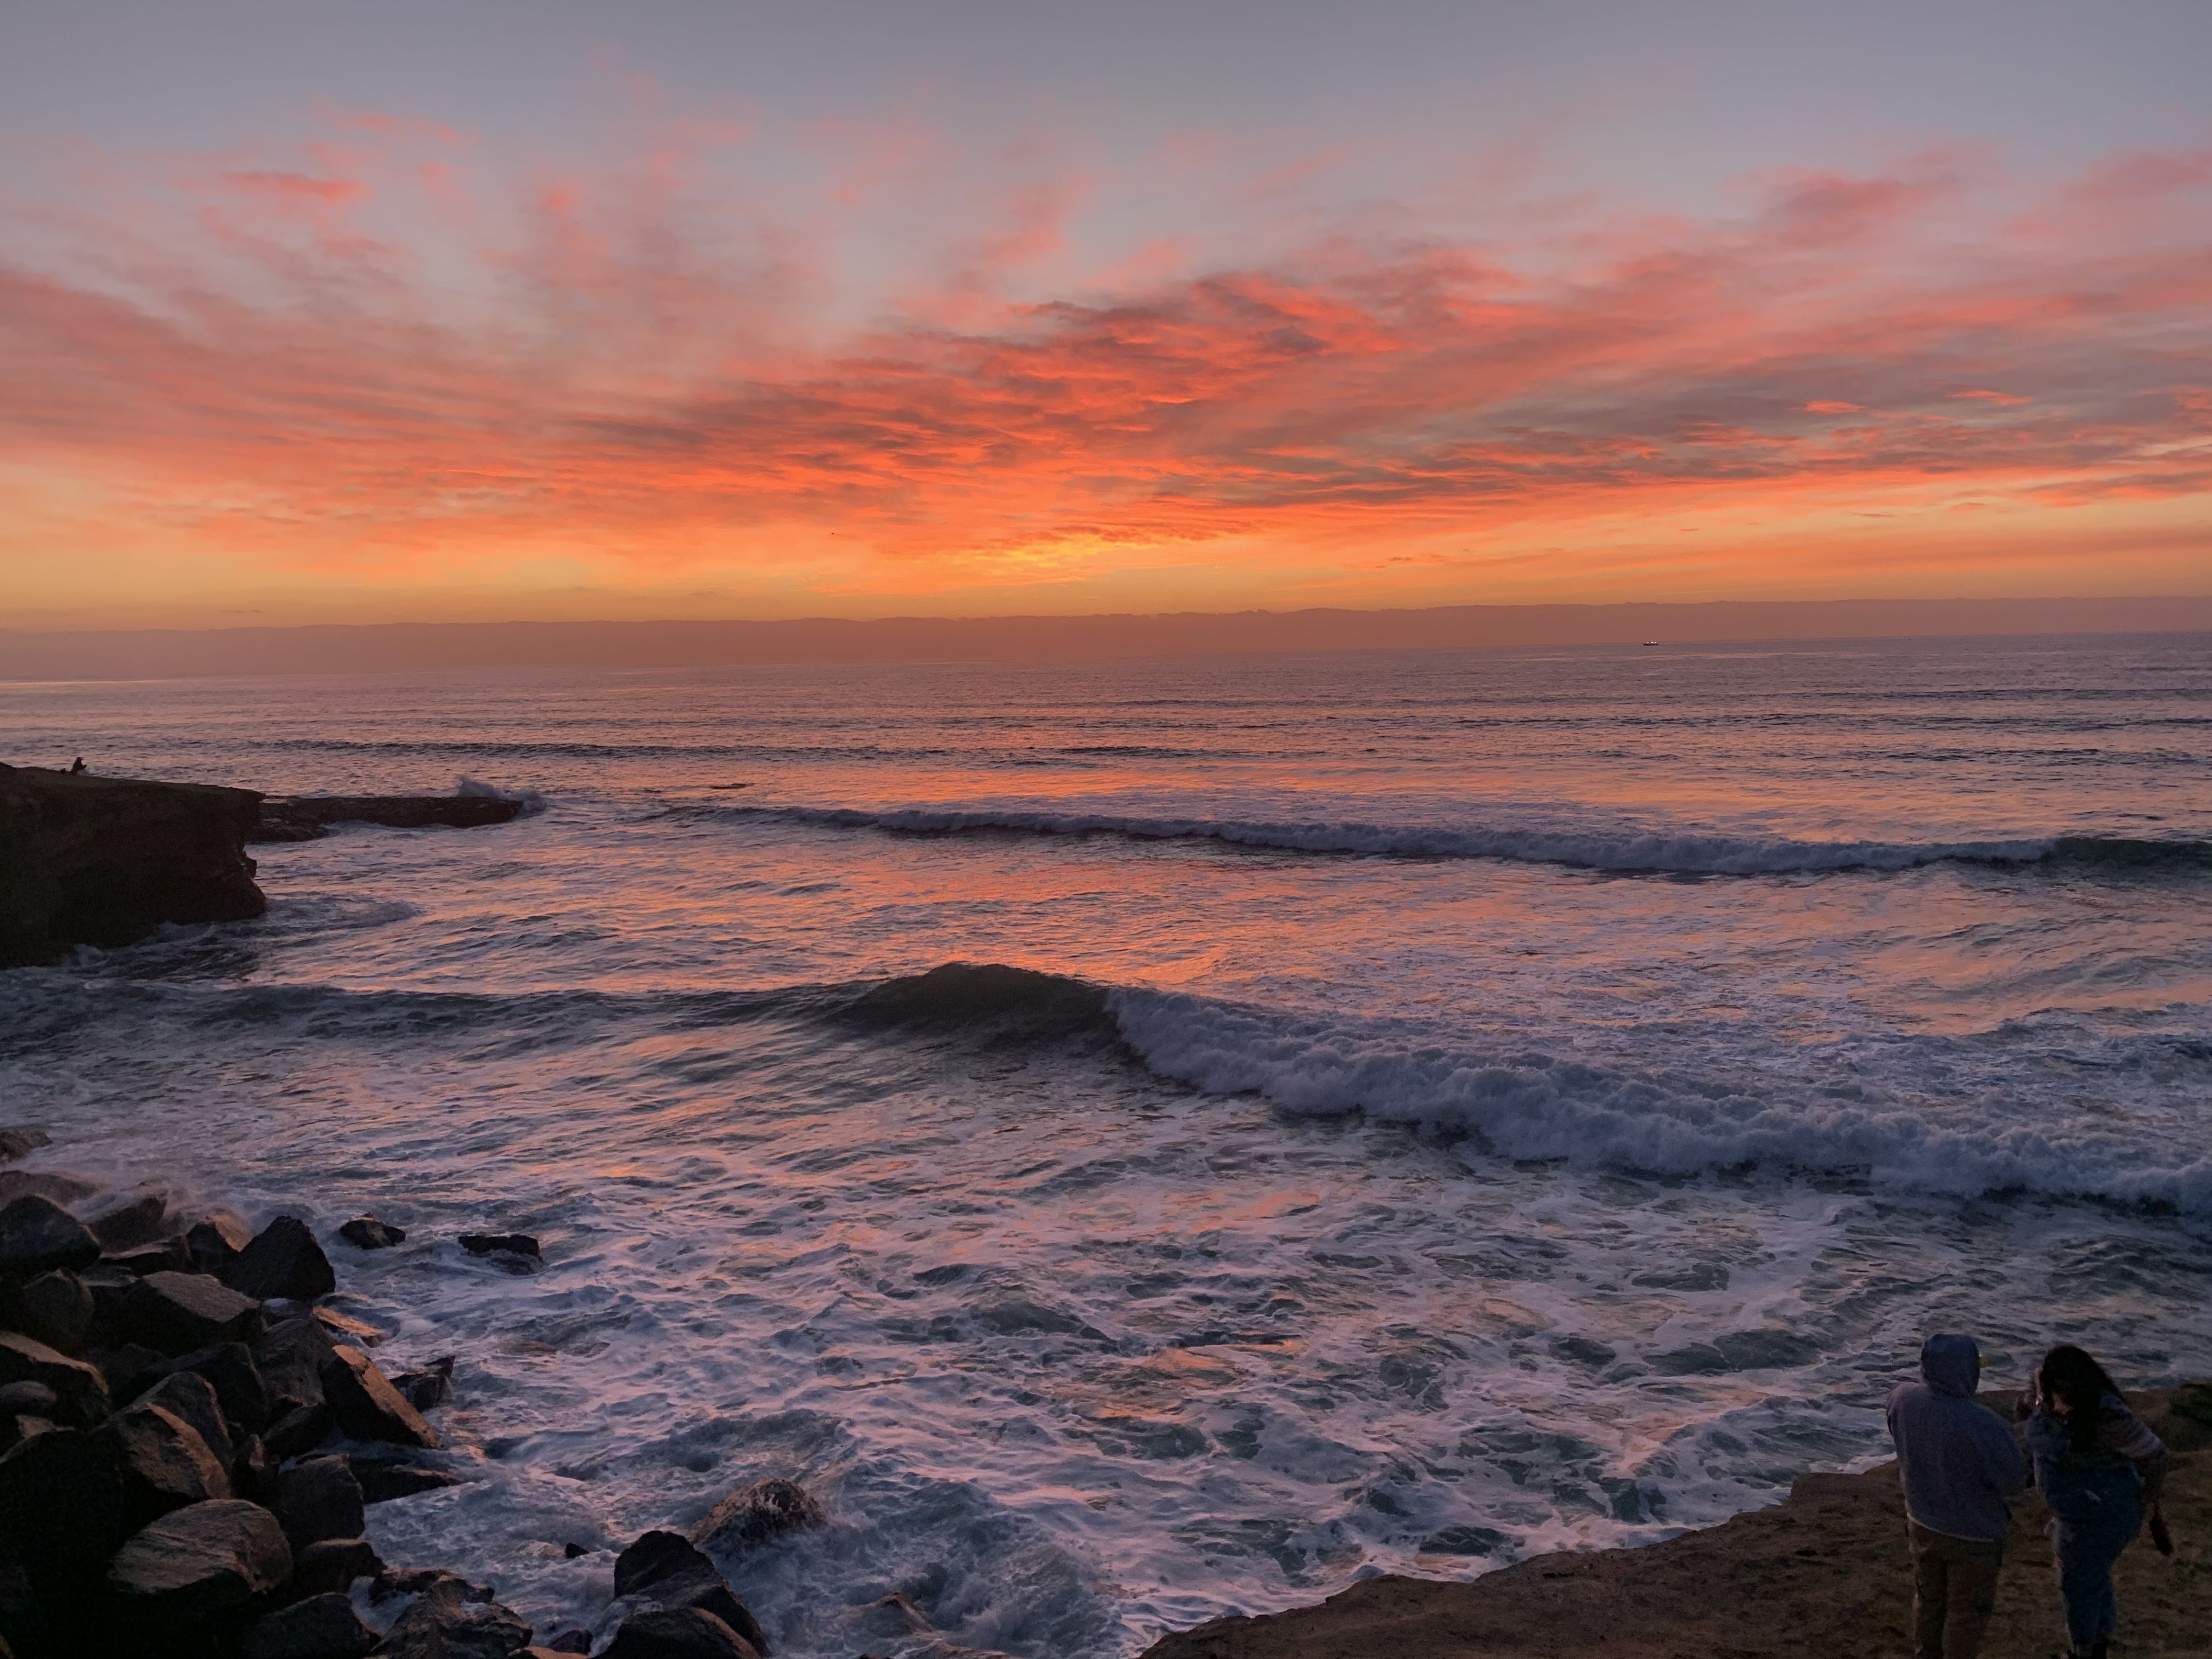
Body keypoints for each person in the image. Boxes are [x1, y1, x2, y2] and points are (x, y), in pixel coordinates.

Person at [2019, 1345, 2168, 1659]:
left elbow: (2156, 1455)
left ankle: (2083, 1651)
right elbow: (2026, 1409)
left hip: (2101, 1516)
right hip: (2074, 1513)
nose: (2059, 1402)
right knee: (2091, 1577)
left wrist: (2149, 1498)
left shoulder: (2107, 1416)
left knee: (2078, 1585)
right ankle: (2098, 1641)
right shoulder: (2041, 1390)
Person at [1887, 1333, 2026, 1659]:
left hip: (1920, 1521)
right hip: (1974, 1534)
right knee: (1965, 1614)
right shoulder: (1985, 1424)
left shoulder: (1902, 1398)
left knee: (1928, 1599)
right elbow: (2013, 1483)